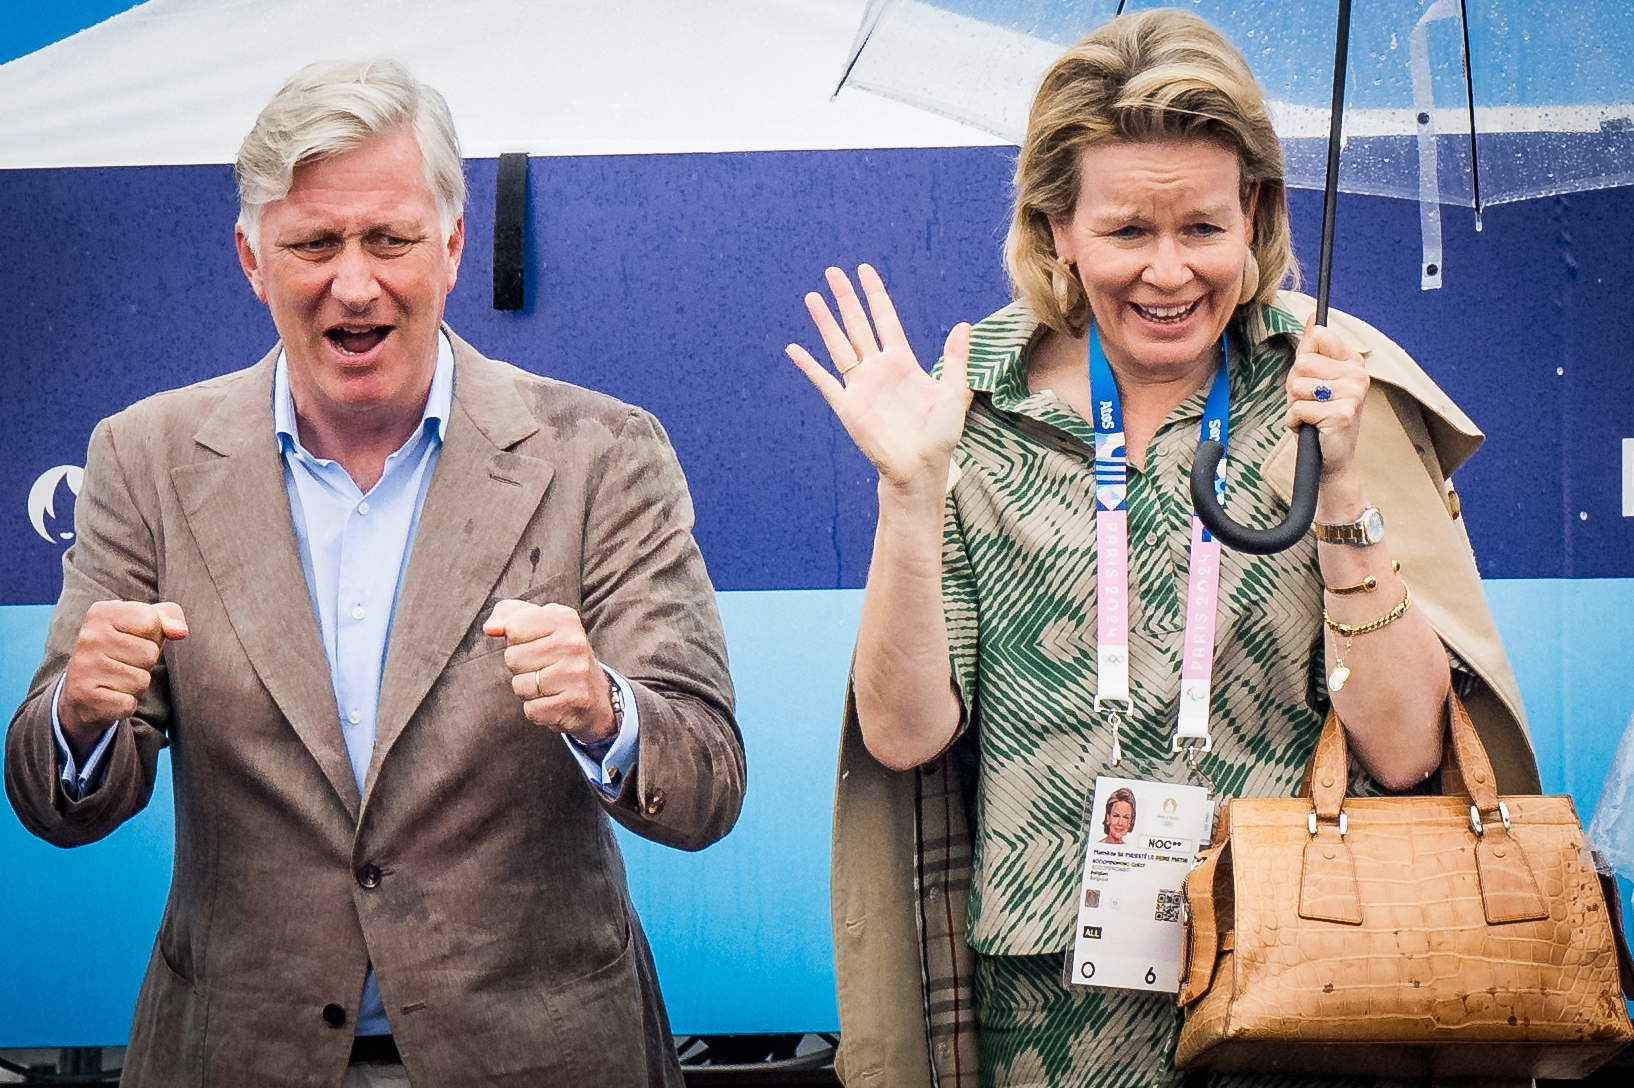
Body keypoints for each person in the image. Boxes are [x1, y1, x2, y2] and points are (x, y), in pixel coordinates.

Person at [788, 10, 1538, 1088]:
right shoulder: (969, 405)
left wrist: (1344, 483)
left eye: (1200, 227)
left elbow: (1407, 749)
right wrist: (908, 493)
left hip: (1301, 1000)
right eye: (1126, 230)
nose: (1167, 272)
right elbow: (904, 734)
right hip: (1048, 1026)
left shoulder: (1328, 385)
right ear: (1056, 229)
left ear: (1254, 217)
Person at [3, 59, 743, 1088]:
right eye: (313, 243)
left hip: (542, 1056)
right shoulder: (145, 457)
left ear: (449, 246)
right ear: (252, 260)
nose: (355, 281)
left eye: (389, 239)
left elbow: (707, 782)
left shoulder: (600, 453)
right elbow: (55, 801)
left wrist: (605, 710)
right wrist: (78, 719)